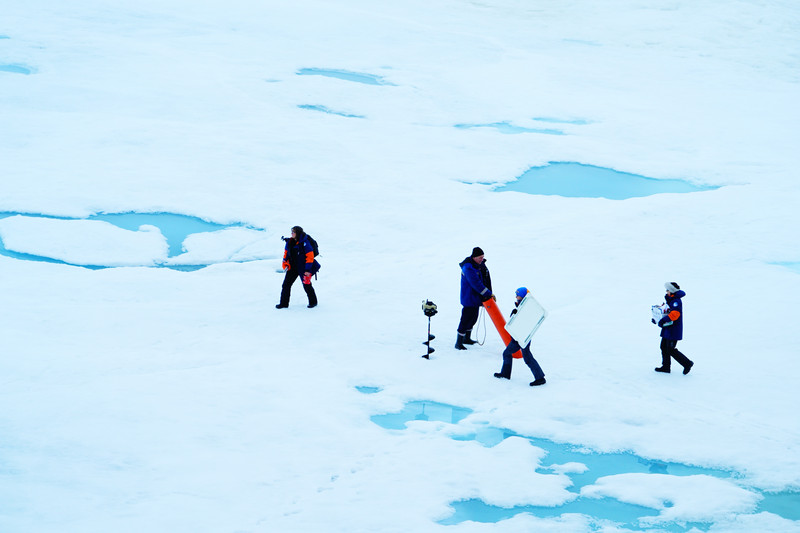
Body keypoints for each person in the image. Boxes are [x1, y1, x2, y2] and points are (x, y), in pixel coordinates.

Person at [494, 287, 546, 386]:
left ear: (522, 296)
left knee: (525, 357)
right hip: (518, 337)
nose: (516, 296)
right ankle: (506, 374)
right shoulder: (522, 305)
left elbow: (526, 321)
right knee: (509, 354)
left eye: (517, 294)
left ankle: (540, 378)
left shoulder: (528, 307)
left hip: (522, 337)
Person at [455, 247, 493, 349]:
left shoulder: (478, 266)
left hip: (475, 298)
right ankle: (458, 342)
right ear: (474, 257)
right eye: (480, 257)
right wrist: (488, 293)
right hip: (469, 298)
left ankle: (467, 338)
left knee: (473, 319)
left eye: (483, 257)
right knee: (465, 319)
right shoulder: (468, 268)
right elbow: (476, 283)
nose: (482, 259)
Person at [653, 282, 693, 374]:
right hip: (668, 328)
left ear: (671, 291)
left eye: (667, 290)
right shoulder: (670, 300)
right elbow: (665, 311)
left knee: (670, 349)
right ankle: (666, 367)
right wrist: (657, 318)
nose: (666, 292)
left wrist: (663, 320)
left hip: (673, 329)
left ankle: (687, 363)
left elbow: (675, 314)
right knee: (663, 347)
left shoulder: (676, 301)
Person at [276, 226, 318, 309]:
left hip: (303, 268)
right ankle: (284, 303)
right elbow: (286, 253)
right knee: (286, 285)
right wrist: (285, 263)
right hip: (293, 267)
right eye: (291, 232)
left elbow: (310, 256)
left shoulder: (305, 243)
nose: (291, 233)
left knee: (306, 285)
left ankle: (313, 302)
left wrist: (307, 270)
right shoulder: (290, 242)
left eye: (293, 232)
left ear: (297, 233)